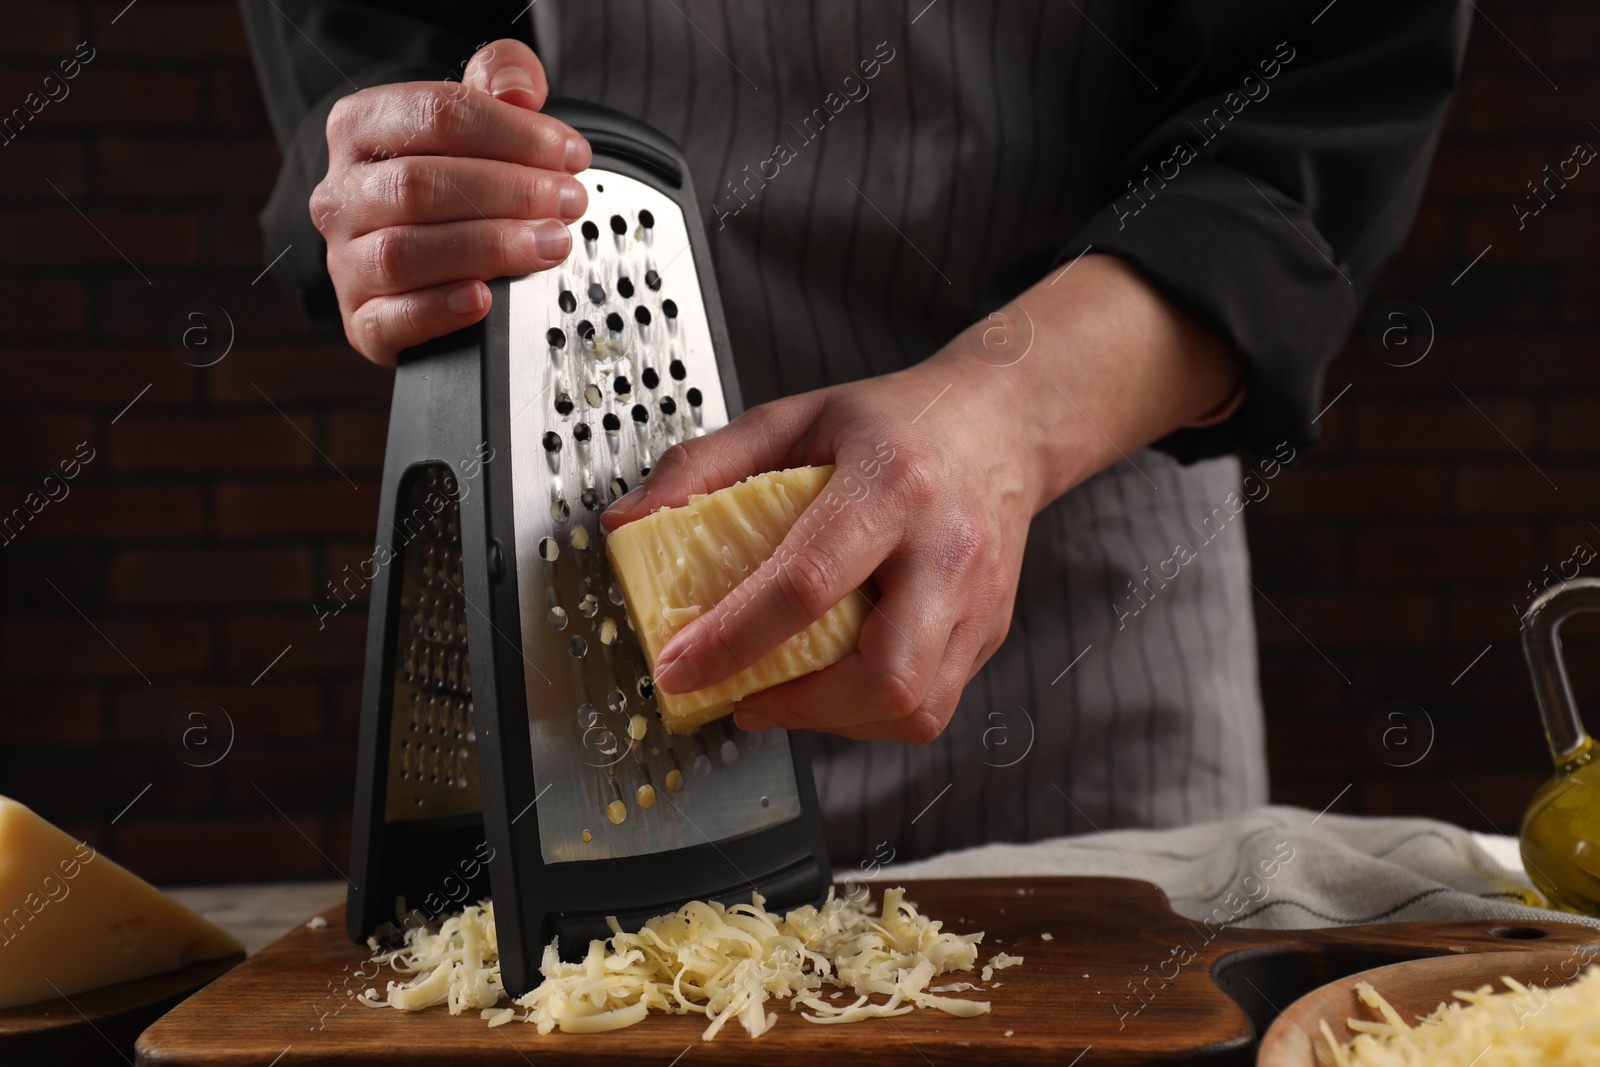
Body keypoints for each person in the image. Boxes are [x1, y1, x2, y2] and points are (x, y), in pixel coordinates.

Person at [242, 0, 1470, 865]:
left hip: (1080, 631)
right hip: (584, 639)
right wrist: (394, 180)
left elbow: (1314, 101)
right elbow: (355, 71)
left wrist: (1002, 421)